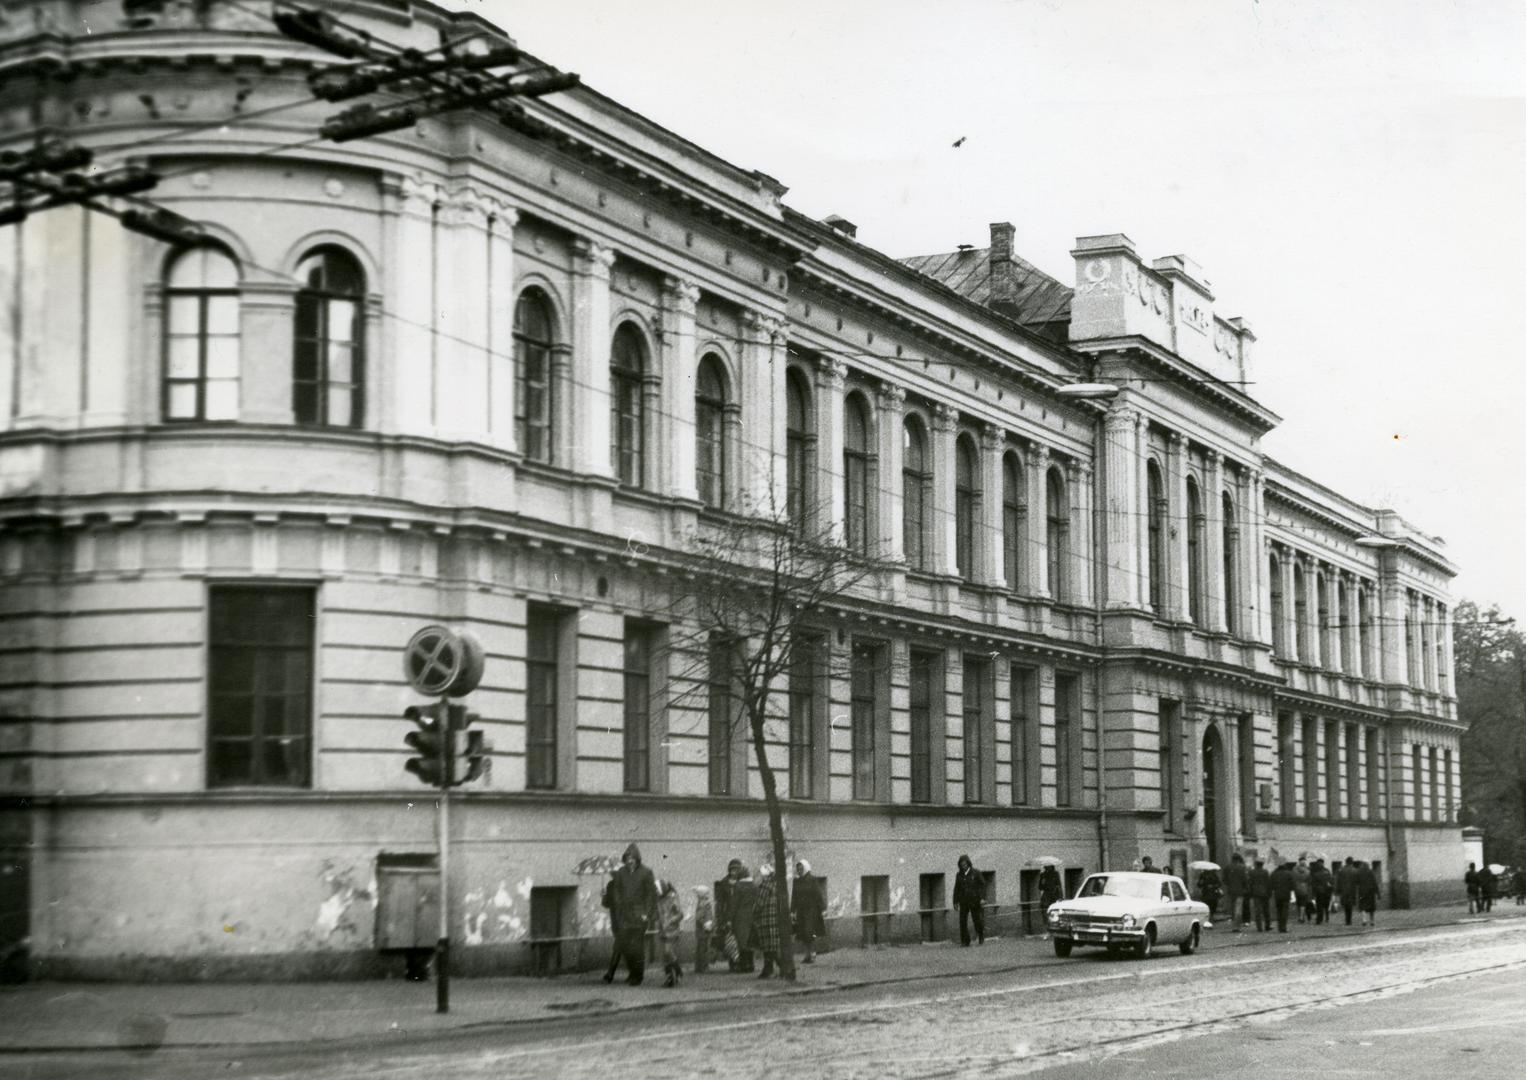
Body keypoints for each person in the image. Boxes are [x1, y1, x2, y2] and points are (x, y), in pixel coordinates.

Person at [607, 842, 657, 985]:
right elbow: (616, 890)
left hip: (639, 915)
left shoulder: (646, 873)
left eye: (632, 858)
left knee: (637, 948)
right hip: (624, 915)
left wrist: (646, 913)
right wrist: (618, 903)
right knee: (625, 946)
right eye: (627, 858)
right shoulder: (621, 872)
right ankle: (631, 973)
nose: (630, 861)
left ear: (637, 858)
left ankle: (638, 976)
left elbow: (650, 894)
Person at [791, 860, 826, 964]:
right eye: (798, 869)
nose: (799, 871)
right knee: (802, 934)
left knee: (809, 933)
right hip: (801, 911)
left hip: (811, 911)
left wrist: (823, 909)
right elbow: (794, 897)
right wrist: (792, 910)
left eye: (801, 868)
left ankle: (812, 953)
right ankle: (807, 955)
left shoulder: (812, 880)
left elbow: (818, 895)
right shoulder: (796, 881)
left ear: (806, 868)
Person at [753, 864, 782, 978]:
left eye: (759, 874)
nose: (757, 876)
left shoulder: (765, 886)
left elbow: (759, 903)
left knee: (768, 946)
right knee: (772, 946)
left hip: (766, 919)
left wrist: (753, 912)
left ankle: (778, 967)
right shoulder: (775, 884)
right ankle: (769, 969)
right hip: (774, 918)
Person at [730, 862, 758, 973]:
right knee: (750, 941)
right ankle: (751, 965)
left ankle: (743, 966)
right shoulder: (753, 886)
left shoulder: (738, 886)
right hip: (752, 915)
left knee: (741, 941)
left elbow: (734, 904)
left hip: (740, 916)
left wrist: (730, 917)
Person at [655, 879, 684, 987]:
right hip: (662, 930)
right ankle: (670, 977)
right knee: (664, 955)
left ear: (662, 889)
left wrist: (671, 920)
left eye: (657, 890)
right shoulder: (658, 899)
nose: (656, 892)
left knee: (668, 952)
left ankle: (677, 970)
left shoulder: (672, 898)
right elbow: (658, 913)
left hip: (672, 930)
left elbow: (680, 914)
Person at [954, 854, 986, 946]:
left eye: (965, 864)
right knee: (962, 921)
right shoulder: (959, 875)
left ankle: (981, 935)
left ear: (968, 863)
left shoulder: (976, 873)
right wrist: (955, 901)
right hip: (963, 901)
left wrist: (982, 898)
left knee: (976, 920)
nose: (963, 866)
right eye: (961, 865)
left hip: (974, 901)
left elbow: (983, 885)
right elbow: (956, 888)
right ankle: (965, 941)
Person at [714, 859, 740, 970]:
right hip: (728, 916)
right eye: (732, 869)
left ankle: (741, 962)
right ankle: (732, 963)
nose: (734, 872)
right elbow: (720, 902)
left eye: (736, 870)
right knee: (730, 940)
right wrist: (721, 917)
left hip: (740, 915)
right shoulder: (724, 883)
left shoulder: (742, 882)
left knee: (740, 940)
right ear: (729, 870)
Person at [1224, 853, 1249, 933]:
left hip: (1231, 891)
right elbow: (1245, 880)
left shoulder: (1227, 867)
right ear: (1238, 859)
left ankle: (1233, 925)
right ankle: (1236, 926)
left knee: (1232, 908)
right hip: (1240, 891)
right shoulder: (1242, 868)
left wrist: (1229, 884)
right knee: (1238, 909)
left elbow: (1224, 879)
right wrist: (1245, 888)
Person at [692, 884, 714, 974]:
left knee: (700, 948)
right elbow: (700, 917)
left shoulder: (701, 903)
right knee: (703, 949)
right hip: (704, 929)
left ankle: (699, 967)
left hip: (700, 929)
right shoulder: (704, 904)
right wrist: (707, 923)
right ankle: (703, 967)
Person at [1038, 864, 1064, 937]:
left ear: (1051, 867)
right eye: (1045, 867)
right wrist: (1042, 881)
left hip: (1054, 896)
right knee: (1044, 912)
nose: (1046, 868)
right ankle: (1048, 930)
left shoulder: (1055, 874)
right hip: (1046, 896)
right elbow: (1040, 887)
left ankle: (1055, 930)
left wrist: (1060, 896)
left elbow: (1059, 885)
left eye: (1047, 866)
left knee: (1054, 913)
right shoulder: (1043, 875)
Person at [1270, 860, 1295, 933]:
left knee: (1279, 910)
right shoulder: (1288, 873)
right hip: (1286, 894)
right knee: (1285, 911)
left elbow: (1271, 884)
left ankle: (1280, 927)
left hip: (1277, 894)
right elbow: (1292, 884)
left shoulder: (1274, 873)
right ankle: (1283, 927)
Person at [1249, 858, 1273, 932]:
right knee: (1266, 910)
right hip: (1265, 893)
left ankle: (1259, 927)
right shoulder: (1265, 872)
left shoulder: (1252, 872)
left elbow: (1250, 883)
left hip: (1256, 893)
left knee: (1258, 911)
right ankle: (1267, 925)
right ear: (1262, 864)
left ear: (1256, 864)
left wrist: (1251, 892)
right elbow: (1268, 883)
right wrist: (1269, 892)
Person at [1355, 860, 1379, 927]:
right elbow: (1375, 882)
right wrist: (1378, 893)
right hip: (1370, 892)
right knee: (1371, 908)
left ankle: (1364, 920)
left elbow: (1356, 882)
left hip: (1362, 892)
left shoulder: (1359, 872)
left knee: (1363, 906)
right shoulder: (1371, 872)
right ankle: (1372, 921)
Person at [1311, 859, 1334, 925]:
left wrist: (1313, 893)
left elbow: (1313, 884)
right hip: (1327, 891)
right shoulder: (1327, 871)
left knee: (1319, 906)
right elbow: (1331, 880)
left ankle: (1319, 919)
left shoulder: (1315, 872)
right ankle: (1327, 917)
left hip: (1319, 891)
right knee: (1326, 905)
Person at [1337, 857, 1358, 926]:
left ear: (1346, 862)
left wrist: (1338, 890)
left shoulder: (1342, 870)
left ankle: (1347, 920)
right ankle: (1349, 920)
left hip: (1344, 890)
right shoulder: (1355, 870)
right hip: (1352, 890)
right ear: (1352, 862)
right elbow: (1357, 881)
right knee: (1350, 905)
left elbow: (1339, 881)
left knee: (1346, 905)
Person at [1292, 857, 1312, 924]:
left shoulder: (1294, 869)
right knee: (1303, 903)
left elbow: (1293, 878)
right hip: (1305, 888)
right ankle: (1301, 917)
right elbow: (1309, 880)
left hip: (1296, 887)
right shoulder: (1307, 870)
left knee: (1299, 902)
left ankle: (1300, 916)